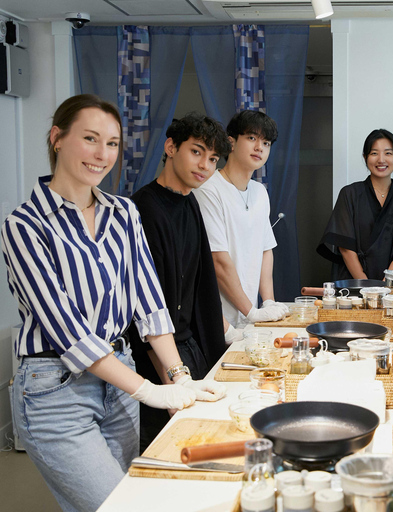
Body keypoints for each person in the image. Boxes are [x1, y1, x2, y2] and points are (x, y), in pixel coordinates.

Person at [1, 94, 226, 512]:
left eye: (112, 143)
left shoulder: (123, 213)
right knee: (121, 506)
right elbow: (69, 333)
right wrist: (148, 390)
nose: (102, 154)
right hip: (55, 390)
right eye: (90, 138)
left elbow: (149, 300)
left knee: (120, 498)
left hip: (118, 381)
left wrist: (178, 377)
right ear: (57, 138)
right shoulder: (23, 226)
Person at [129, 113, 237, 451]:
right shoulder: (144, 208)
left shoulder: (189, 203)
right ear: (171, 147)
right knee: (168, 449)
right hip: (159, 355)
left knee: (208, 439)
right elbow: (148, 307)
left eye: (213, 158)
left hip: (194, 346)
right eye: (197, 152)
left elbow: (198, 287)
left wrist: (232, 335)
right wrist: (172, 387)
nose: (205, 165)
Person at [193, 110, 289, 328]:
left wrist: (268, 303)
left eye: (266, 143)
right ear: (231, 142)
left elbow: (266, 250)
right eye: (252, 138)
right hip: (217, 319)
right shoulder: (209, 189)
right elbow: (218, 260)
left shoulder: (259, 192)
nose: (259, 148)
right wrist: (252, 312)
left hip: (249, 316)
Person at [317, 128, 393, 280]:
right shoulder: (349, 194)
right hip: (353, 284)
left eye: (388, 153)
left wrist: (386, 285)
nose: (381, 160)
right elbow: (344, 246)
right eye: (374, 153)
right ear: (365, 157)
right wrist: (366, 285)